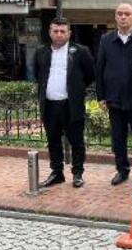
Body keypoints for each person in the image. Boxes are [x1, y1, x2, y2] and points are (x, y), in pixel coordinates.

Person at [34, 17, 94, 188]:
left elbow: (90, 74)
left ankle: (77, 173)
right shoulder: (41, 52)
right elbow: (39, 75)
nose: (59, 35)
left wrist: (77, 89)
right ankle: (57, 172)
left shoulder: (80, 51)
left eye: (62, 31)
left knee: (76, 140)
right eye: (55, 31)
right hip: (49, 104)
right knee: (53, 140)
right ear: (50, 32)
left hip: (71, 104)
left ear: (69, 33)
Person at [96, 3, 132, 186]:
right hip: (114, 97)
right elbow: (100, 68)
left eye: (127, 14)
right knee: (118, 138)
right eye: (120, 14)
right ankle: (122, 170)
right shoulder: (106, 39)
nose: (123, 17)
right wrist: (101, 96)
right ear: (115, 17)